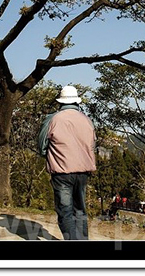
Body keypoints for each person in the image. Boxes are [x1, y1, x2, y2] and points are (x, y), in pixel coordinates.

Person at [38, 85, 96, 240]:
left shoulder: (53, 118)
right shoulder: (87, 120)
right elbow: (92, 145)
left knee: (65, 211)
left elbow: (42, 144)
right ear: (77, 102)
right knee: (80, 210)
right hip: (83, 171)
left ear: (60, 102)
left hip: (62, 171)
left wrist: (50, 155)